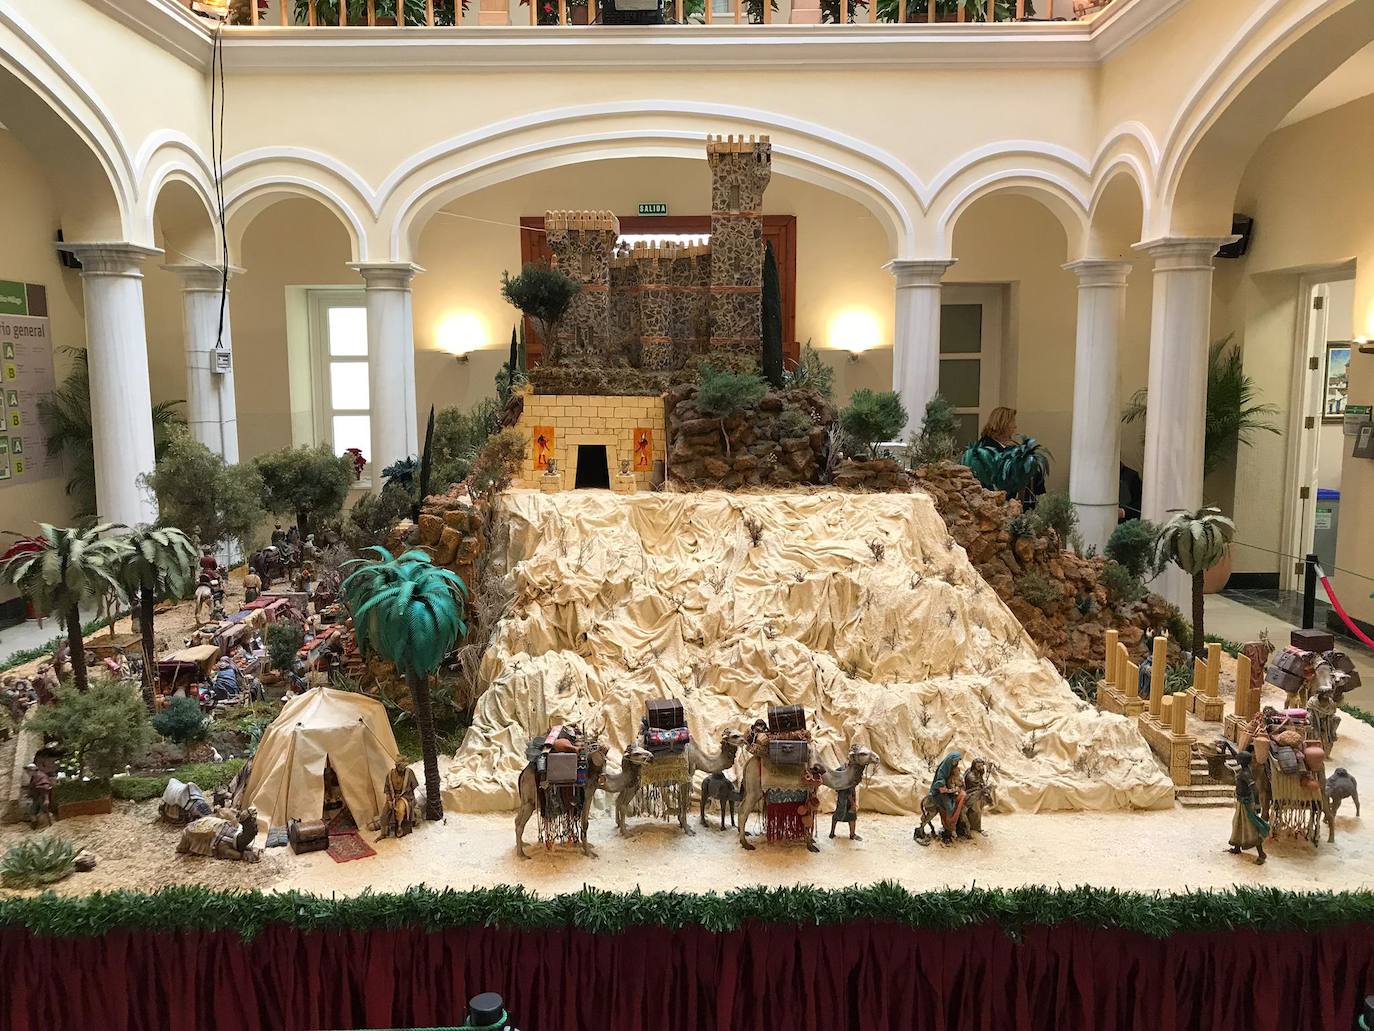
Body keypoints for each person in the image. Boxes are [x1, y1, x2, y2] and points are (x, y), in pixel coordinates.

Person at [975, 407, 1045, 509]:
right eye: (1012, 422)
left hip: (1021, 502)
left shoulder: (1012, 445)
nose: (1015, 426)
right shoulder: (985, 448)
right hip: (997, 504)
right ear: (1003, 423)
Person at [928, 751, 967, 843]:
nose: (956, 763)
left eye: (957, 761)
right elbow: (940, 782)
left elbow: (958, 780)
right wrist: (947, 787)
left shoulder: (953, 768)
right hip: (941, 792)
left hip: (951, 789)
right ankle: (949, 826)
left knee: (963, 796)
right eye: (954, 761)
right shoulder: (943, 768)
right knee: (950, 807)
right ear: (950, 760)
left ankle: (956, 825)